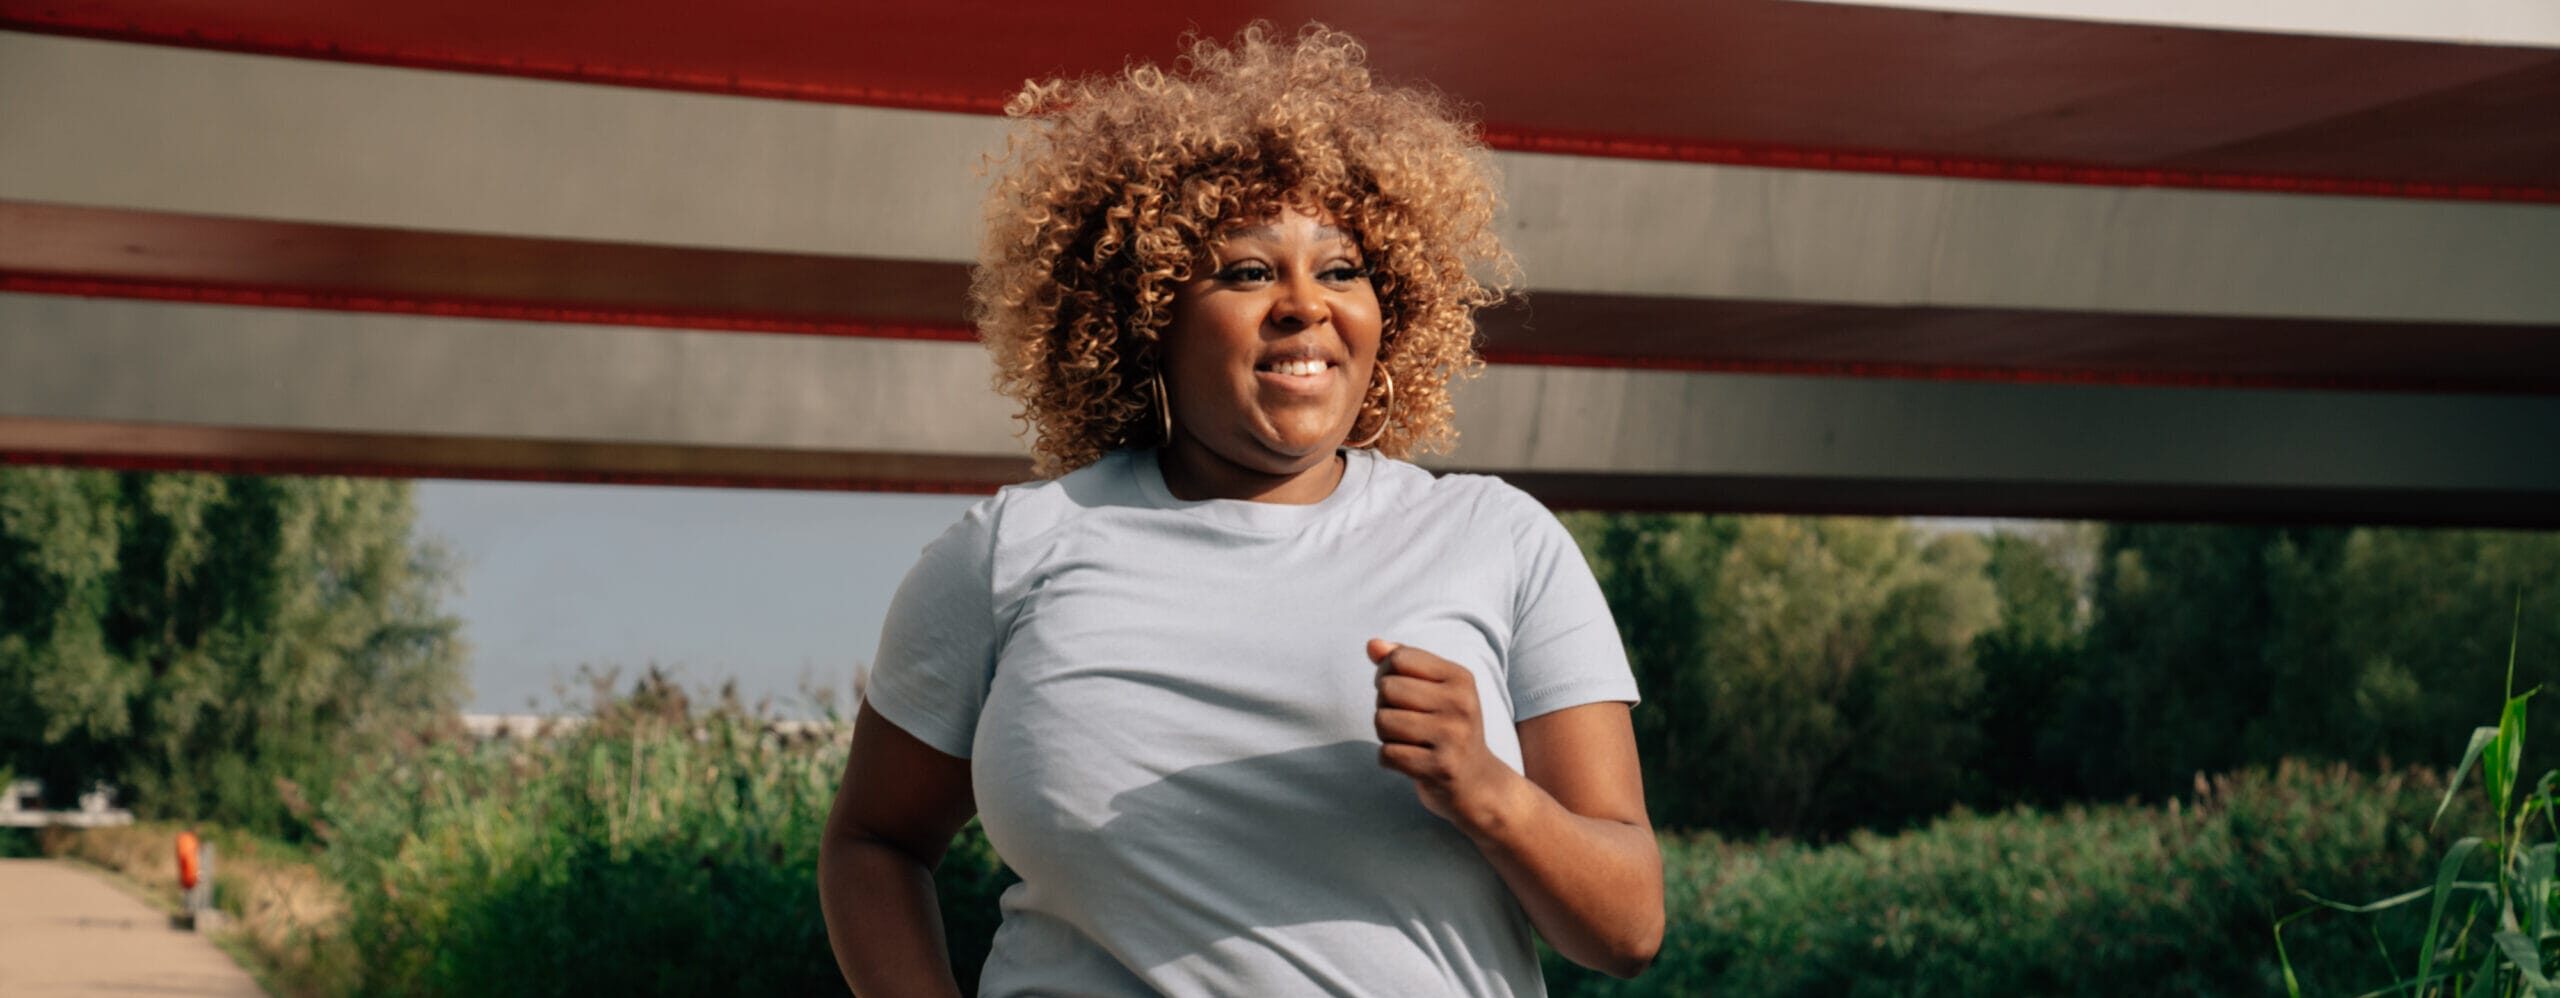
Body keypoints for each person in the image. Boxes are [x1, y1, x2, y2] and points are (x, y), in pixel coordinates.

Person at [819, 24, 1662, 997]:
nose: (1304, 303)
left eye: (1342, 269)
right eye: (1248, 271)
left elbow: (1628, 926)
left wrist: (1490, 791)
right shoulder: (1012, 551)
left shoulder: (1497, 539)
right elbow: (873, 840)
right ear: (1147, 312)